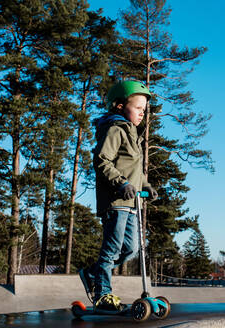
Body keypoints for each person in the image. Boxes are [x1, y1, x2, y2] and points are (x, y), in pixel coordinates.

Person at [78, 80, 158, 312]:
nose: (142, 113)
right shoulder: (115, 129)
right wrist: (121, 183)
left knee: (130, 250)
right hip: (115, 200)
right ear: (120, 106)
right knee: (112, 248)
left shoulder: (134, 135)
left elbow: (133, 170)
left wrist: (146, 185)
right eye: (138, 107)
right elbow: (102, 161)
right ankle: (102, 294)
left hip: (132, 202)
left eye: (145, 109)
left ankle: (92, 273)